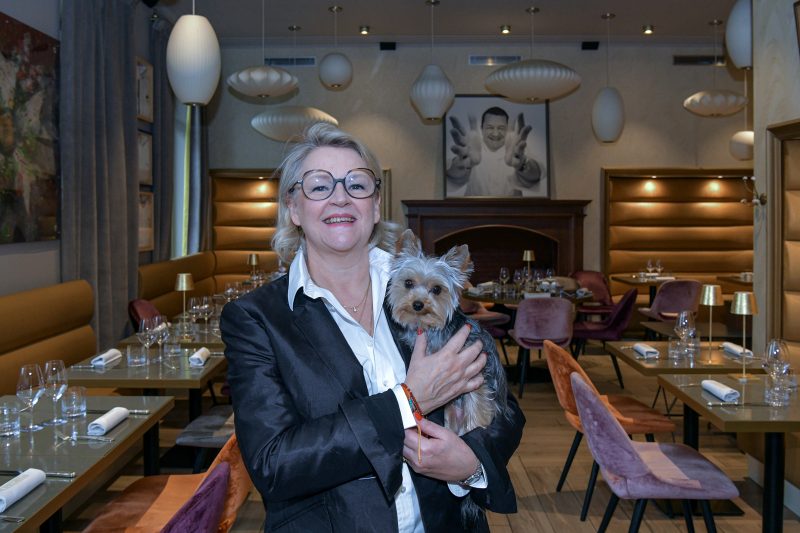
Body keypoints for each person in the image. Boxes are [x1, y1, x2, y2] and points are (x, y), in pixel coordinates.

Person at [221, 123, 525, 532]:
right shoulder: (256, 318)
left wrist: (471, 464)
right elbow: (275, 465)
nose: (341, 196)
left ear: (376, 205)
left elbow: (503, 408)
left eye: (357, 184)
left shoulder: (419, 294)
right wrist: (408, 398)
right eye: (319, 185)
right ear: (293, 207)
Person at [446, 106, 542, 197]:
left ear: (507, 129)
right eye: (490, 127)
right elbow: (451, 175)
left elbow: (536, 175)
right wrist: (462, 163)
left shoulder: (516, 149)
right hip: (475, 212)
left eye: (501, 128)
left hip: (512, 213)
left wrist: (522, 165)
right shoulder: (471, 149)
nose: (496, 133)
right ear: (481, 128)